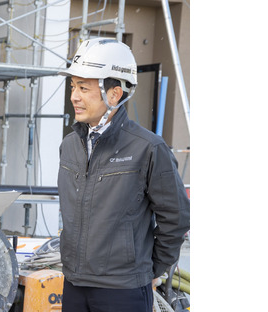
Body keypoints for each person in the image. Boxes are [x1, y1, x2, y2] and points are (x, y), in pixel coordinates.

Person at [56, 37, 190, 312]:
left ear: (114, 94)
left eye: (84, 88)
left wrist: (152, 269)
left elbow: (175, 217)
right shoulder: (69, 145)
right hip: (74, 284)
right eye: (73, 86)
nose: (74, 96)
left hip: (123, 290)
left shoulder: (148, 148)